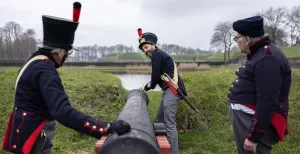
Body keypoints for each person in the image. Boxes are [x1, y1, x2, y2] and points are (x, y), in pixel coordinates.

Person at [1, 2, 130, 154]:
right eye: (67, 54)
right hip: (34, 136)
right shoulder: (46, 70)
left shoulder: (34, 61)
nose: (66, 58)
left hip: (24, 130)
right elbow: (63, 111)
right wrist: (106, 127)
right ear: (59, 52)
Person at [228, 15, 291, 154]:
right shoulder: (260, 54)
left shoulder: (268, 58)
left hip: (252, 120)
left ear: (248, 39)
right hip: (246, 119)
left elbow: (267, 101)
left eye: (237, 38)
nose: (236, 41)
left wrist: (254, 136)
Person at [137, 28, 187, 154]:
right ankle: (160, 147)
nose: (145, 51)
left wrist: (147, 87)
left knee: (170, 124)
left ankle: (173, 152)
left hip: (172, 91)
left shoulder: (157, 55)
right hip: (168, 91)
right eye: (143, 49)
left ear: (154, 45)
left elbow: (154, 79)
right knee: (160, 119)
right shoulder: (158, 55)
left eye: (146, 47)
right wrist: (147, 86)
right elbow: (157, 77)